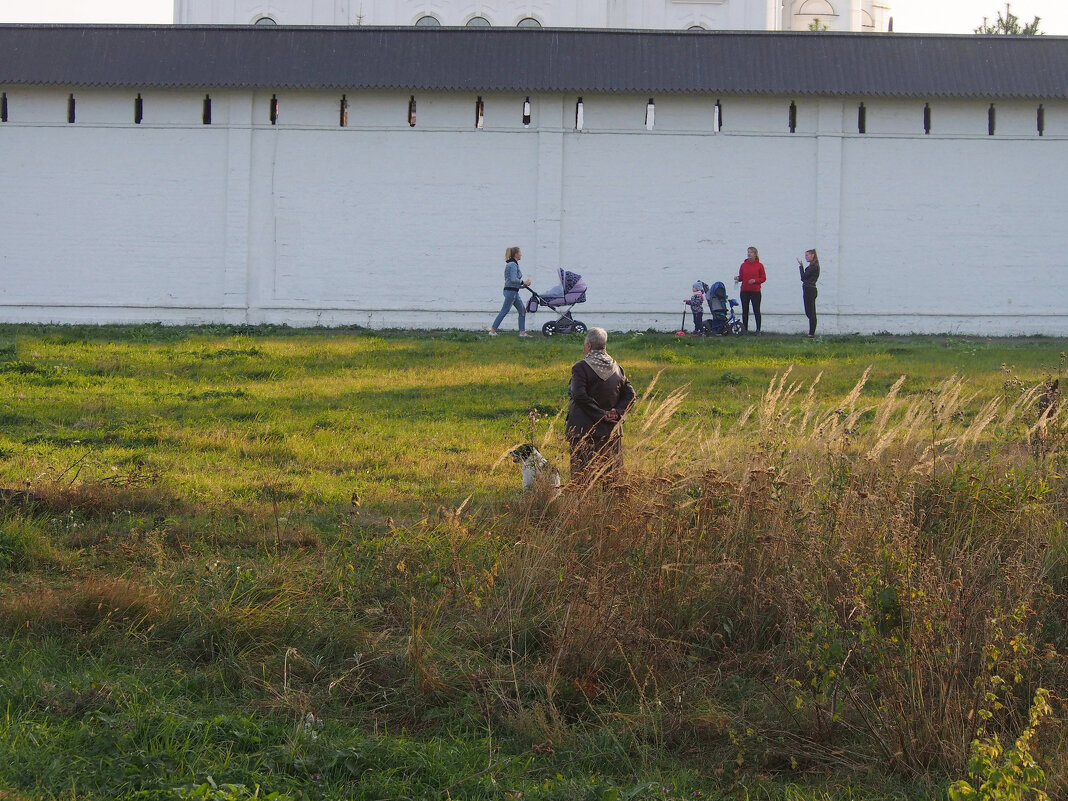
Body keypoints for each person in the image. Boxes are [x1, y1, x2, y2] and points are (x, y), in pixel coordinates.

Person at [566, 327, 636, 482]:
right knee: (611, 479)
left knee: (582, 480)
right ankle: (609, 506)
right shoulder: (617, 368)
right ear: (605, 345)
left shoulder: (581, 367)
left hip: (583, 431)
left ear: (589, 345)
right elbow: (630, 394)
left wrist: (600, 415)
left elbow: (578, 395)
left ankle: (582, 507)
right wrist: (617, 413)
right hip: (610, 431)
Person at [490, 246, 531, 336]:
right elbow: (513, 279)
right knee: (504, 311)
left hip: (513, 291)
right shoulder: (512, 264)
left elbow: (511, 282)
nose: (521, 254)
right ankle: (492, 331)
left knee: (522, 311)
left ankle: (522, 332)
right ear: (516, 254)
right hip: (511, 293)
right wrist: (523, 282)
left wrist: (523, 286)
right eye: (520, 252)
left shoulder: (513, 264)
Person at [734, 246, 766, 334]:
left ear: (755, 254)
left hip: (755, 291)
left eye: (751, 252)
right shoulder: (743, 265)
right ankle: (745, 329)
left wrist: (755, 280)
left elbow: (763, 278)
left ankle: (758, 329)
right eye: (748, 252)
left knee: (756, 310)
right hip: (744, 290)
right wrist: (738, 278)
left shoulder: (760, 265)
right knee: (745, 310)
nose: (749, 254)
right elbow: (742, 277)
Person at [798, 248, 820, 337]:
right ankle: (811, 332)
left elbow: (803, 277)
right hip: (807, 289)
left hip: (810, 290)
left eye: (807, 255)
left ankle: (811, 333)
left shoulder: (814, 266)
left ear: (812, 255)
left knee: (811, 312)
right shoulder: (812, 266)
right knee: (808, 311)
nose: (806, 257)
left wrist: (801, 266)